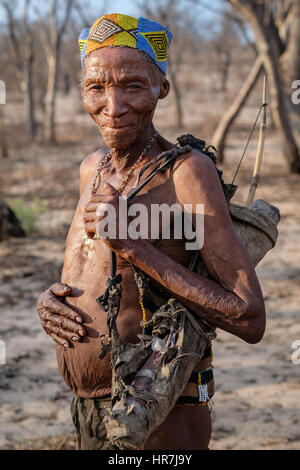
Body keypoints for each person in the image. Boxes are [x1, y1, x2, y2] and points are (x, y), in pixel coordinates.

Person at [36, 13, 266, 450]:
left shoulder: (187, 173)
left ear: (162, 87)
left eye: (133, 86)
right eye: (97, 87)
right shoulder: (92, 169)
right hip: (92, 412)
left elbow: (250, 317)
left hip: (162, 409)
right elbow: (92, 272)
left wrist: (134, 246)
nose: (114, 106)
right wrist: (51, 301)